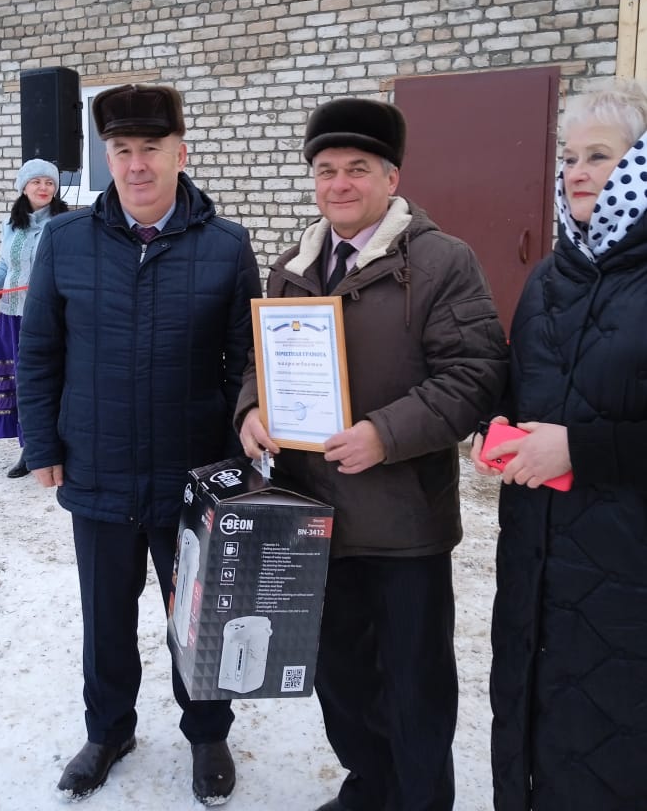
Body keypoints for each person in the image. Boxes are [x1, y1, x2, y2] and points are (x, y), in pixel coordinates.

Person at [236, 96, 508, 811]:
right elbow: (262, 361)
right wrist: (252, 409)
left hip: (402, 523)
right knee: (341, 676)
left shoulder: (442, 262)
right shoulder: (293, 265)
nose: (339, 184)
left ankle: (419, 800)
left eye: (357, 168)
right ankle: (369, 786)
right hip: (313, 519)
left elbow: (475, 374)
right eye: (326, 170)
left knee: (415, 684)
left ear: (391, 178)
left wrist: (385, 433)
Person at [16, 83, 261, 806]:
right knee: (105, 620)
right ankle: (108, 731)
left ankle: (208, 733)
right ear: (108, 158)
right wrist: (42, 443)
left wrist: (243, 451)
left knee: (201, 616)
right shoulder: (66, 240)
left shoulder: (226, 246)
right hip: (98, 466)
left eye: (151, 148)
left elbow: (246, 360)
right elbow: (40, 353)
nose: (136, 164)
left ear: (180, 153)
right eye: (121, 150)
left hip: (195, 474)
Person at [472, 79, 647, 811]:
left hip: (624, 577)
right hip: (536, 560)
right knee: (532, 730)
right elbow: (523, 388)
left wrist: (584, 450)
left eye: (598, 157)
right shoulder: (550, 276)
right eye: (569, 157)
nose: (577, 172)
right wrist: (491, 421)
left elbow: (583, 434)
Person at [0, 158, 68, 478]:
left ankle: (49, 446)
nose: (44, 188)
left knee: (41, 382)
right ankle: (29, 448)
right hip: (12, 316)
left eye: (50, 182)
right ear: (23, 187)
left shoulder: (63, 224)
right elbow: (5, 265)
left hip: (44, 318)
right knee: (17, 383)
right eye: (36, 182)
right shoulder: (11, 224)